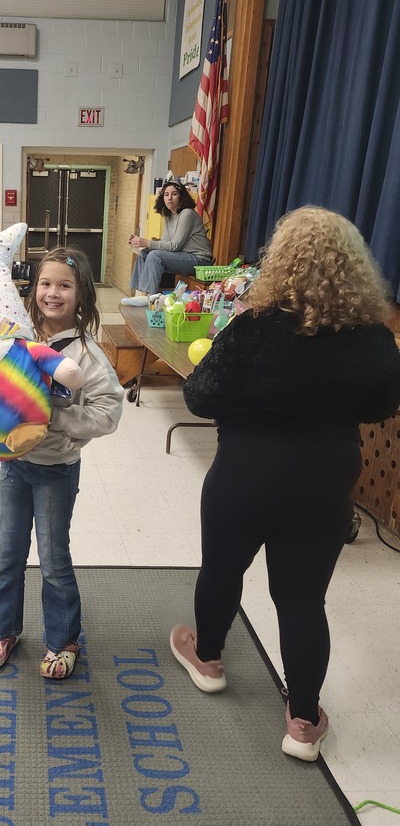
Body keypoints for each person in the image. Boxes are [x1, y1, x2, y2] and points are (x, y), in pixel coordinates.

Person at [170, 207, 400, 761]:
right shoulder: (373, 336)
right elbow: (381, 406)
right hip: (323, 478)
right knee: (301, 599)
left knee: (223, 570)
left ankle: (208, 658)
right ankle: (302, 723)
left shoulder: (255, 325)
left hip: (245, 473)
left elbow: (199, 396)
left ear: (283, 262)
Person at [0, 247, 124, 680]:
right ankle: (3, 631)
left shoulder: (87, 354)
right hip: (12, 466)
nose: (52, 293)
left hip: (57, 468)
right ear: (32, 288)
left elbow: (108, 414)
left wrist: (49, 414)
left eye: (64, 286)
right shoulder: (9, 331)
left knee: (54, 559)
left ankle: (63, 640)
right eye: (45, 283)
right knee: (7, 553)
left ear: (82, 295)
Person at [128, 180, 212, 296]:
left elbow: (175, 246)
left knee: (155, 255)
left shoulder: (187, 214)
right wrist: (141, 242)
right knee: (145, 253)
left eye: (174, 194)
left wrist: (146, 242)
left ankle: (149, 297)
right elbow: (165, 243)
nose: (169, 198)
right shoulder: (169, 216)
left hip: (199, 259)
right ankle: (142, 294)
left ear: (181, 196)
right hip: (183, 256)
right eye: (166, 194)